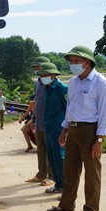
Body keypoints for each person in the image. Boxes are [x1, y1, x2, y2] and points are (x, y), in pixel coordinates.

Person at [47, 45, 106, 211]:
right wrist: (65, 129)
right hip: (73, 129)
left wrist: (99, 139)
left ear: (88, 62)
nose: (73, 64)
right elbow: (70, 107)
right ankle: (66, 203)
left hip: (90, 130)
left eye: (77, 61)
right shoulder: (74, 82)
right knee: (70, 170)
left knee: (92, 173)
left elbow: (105, 113)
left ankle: (90, 209)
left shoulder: (100, 83)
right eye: (71, 61)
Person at [37, 63, 68, 195]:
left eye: (46, 74)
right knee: (52, 158)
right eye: (42, 75)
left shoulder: (62, 89)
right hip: (48, 128)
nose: (43, 77)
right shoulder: (46, 89)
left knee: (60, 159)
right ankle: (58, 184)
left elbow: (68, 110)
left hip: (58, 129)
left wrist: (66, 130)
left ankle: (66, 188)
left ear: (54, 75)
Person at [25, 56, 54, 185]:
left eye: (38, 67)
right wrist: (34, 120)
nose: (36, 70)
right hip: (39, 122)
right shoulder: (37, 83)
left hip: (50, 123)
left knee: (51, 150)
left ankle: (52, 176)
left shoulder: (52, 84)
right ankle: (41, 174)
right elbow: (36, 102)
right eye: (35, 68)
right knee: (41, 149)